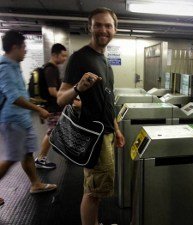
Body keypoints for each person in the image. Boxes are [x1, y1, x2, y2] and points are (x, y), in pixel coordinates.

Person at [57, 8, 125, 225]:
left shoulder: (105, 63)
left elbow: (107, 101)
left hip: (106, 133)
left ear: (115, 29)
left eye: (108, 25)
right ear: (90, 27)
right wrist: (78, 87)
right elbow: (60, 99)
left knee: (96, 188)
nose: (103, 30)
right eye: (98, 25)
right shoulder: (79, 58)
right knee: (93, 191)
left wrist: (117, 129)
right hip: (94, 136)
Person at [0, 30, 57, 206]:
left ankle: (36, 184)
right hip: (12, 121)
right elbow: (14, 98)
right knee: (11, 158)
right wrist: (38, 110)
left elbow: (21, 94)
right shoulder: (5, 68)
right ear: (15, 47)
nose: (26, 50)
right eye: (24, 47)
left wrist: (36, 106)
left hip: (21, 119)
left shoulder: (14, 65)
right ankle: (36, 183)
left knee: (26, 154)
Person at [34, 43, 68, 170]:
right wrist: (67, 99)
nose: (65, 59)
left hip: (54, 106)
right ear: (54, 55)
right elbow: (52, 91)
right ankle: (41, 158)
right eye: (63, 56)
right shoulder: (51, 69)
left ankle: (67, 154)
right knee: (51, 132)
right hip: (53, 107)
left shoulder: (49, 68)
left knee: (59, 130)